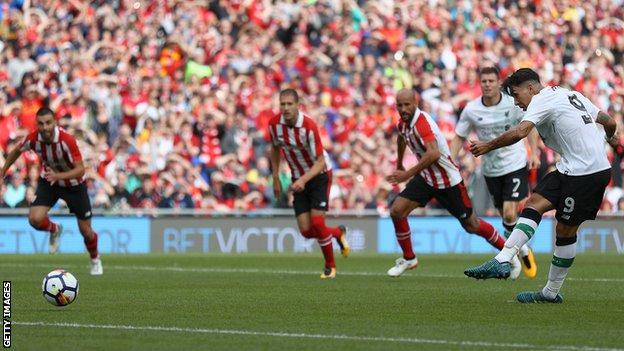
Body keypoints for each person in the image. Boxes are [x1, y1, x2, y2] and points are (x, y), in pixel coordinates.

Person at [464, 68, 617, 303]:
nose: (516, 102)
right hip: (571, 167)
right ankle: (503, 259)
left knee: (565, 232)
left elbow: (520, 132)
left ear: (531, 88)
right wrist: (609, 139)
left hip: (587, 173)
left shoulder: (541, 99)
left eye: (516, 95)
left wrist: (487, 146)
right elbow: (609, 121)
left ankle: (550, 293)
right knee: (534, 203)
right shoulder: (568, 94)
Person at [386, 89, 520, 277]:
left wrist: (407, 173)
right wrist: (400, 163)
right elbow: (402, 138)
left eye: (407, 104)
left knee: (471, 225)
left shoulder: (422, 123)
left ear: (415, 103)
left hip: (448, 181)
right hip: (426, 178)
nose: (403, 108)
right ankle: (409, 258)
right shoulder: (403, 123)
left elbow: (433, 154)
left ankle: (509, 253)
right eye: (399, 105)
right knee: (397, 210)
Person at [450, 66, 539, 279]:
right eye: (484, 81)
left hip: (515, 163)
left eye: (491, 81)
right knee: (505, 218)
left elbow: (530, 126)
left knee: (510, 212)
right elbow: (458, 136)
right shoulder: (471, 109)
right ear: (479, 84)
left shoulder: (512, 102)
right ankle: (523, 249)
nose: (488, 85)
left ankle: (515, 253)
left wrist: (534, 152)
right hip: (490, 169)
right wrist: (451, 160)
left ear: (499, 83)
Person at [0, 107, 103, 275]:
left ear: (54, 122)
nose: (45, 127)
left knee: (86, 231)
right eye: (41, 124)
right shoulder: (33, 139)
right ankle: (54, 229)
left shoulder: (67, 140)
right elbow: (17, 150)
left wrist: (59, 176)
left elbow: (81, 170)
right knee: (34, 219)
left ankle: (95, 259)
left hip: (74, 186)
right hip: (50, 182)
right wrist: (3, 172)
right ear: (36, 124)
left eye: (48, 123)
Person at [268, 89, 349, 279]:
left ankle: (330, 267)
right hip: (298, 176)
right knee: (306, 231)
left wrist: (303, 180)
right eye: (283, 104)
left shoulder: (309, 126)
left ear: (298, 106)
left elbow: (320, 161)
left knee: (318, 223)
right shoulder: (274, 125)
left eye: (290, 104)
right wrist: (275, 178)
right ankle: (337, 233)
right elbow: (274, 148)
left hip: (319, 174)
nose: (286, 108)